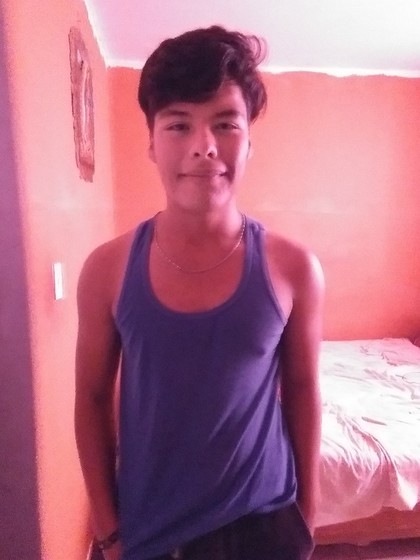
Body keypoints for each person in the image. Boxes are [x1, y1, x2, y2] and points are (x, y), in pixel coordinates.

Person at [75, 25, 324, 560]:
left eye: (225, 123)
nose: (203, 147)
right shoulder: (106, 270)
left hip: (265, 527)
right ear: (151, 142)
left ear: (249, 141)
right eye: (178, 124)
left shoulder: (294, 268)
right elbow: (91, 399)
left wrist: (307, 515)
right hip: (150, 532)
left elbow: (303, 387)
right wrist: (108, 531)